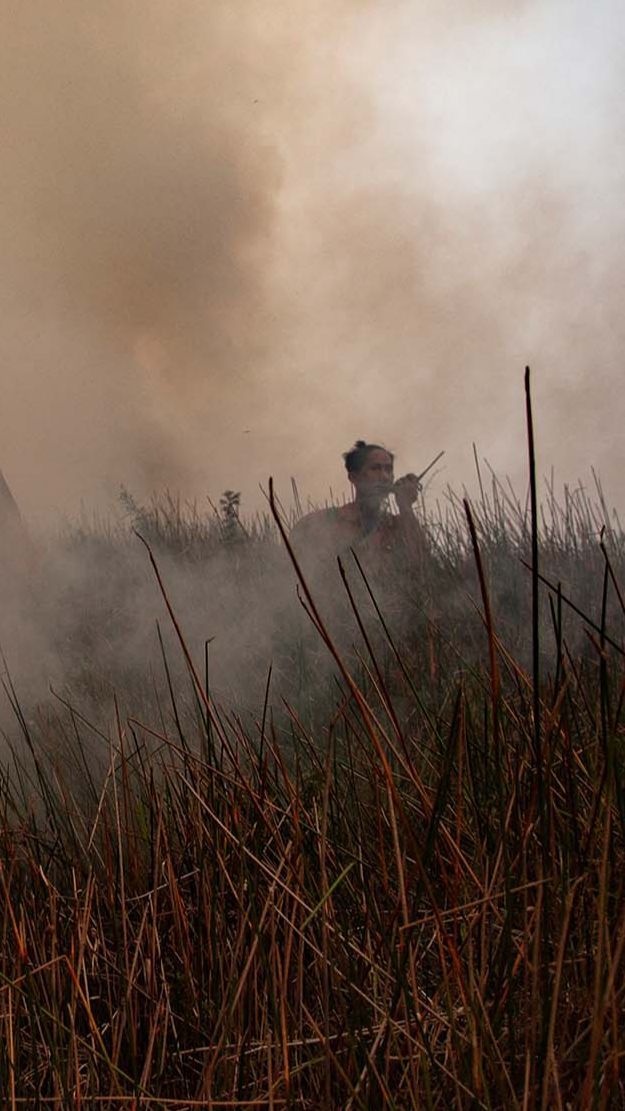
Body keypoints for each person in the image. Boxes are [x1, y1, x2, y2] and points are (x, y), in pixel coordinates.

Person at [290, 440, 428, 572]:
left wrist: (405, 508)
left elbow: (421, 568)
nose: (384, 477)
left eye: (388, 469)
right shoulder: (322, 522)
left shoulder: (397, 526)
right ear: (354, 477)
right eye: (375, 468)